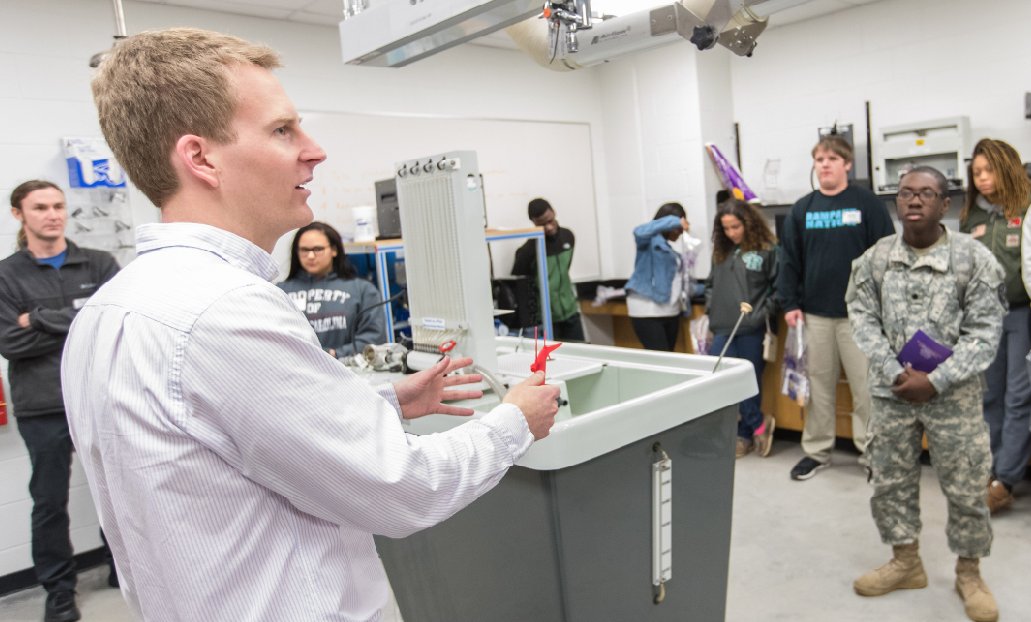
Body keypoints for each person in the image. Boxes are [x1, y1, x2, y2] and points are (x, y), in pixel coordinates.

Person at [61, 28, 560, 621]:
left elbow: (232, 438)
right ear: (200, 157)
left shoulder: (110, 308)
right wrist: (516, 422)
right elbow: (401, 488)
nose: (314, 149)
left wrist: (386, 403)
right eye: (282, 129)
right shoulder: (225, 311)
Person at [846, 166, 1005, 622]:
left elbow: (984, 333)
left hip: (954, 396)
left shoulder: (973, 259)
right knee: (891, 479)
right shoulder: (875, 259)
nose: (914, 200)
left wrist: (935, 380)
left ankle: (969, 573)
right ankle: (906, 561)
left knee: (967, 485)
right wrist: (898, 371)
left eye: (926, 193)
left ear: (944, 204)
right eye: (906, 193)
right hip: (892, 391)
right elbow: (862, 318)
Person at [0, 180, 120, 622]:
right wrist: (78, 318)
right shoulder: (6, 275)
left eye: (58, 206)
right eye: (40, 207)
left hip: (96, 398)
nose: (52, 214)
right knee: (49, 503)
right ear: (19, 214)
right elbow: (10, 341)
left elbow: (112, 323)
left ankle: (121, 570)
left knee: (118, 490)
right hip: (43, 405)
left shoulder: (99, 262)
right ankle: (59, 591)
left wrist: (42, 319)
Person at [777, 135, 895, 480]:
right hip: (815, 314)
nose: (825, 164)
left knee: (866, 390)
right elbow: (789, 261)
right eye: (819, 159)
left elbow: (886, 255)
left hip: (861, 316)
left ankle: (873, 454)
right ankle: (816, 451)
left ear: (847, 164)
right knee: (820, 390)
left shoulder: (867, 204)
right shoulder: (803, 208)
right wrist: (790, 303)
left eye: (832, 158)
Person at [961, 138, 1031, 514]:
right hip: (985, 318)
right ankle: (989, 473)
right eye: (977, 173)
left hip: (1022, 314)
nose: (983, 179)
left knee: (1019, 397)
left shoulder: (1026, 207)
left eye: (989, 170)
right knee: (990, 397)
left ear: (1007, 167)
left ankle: (1005, 480)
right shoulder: (972, 215)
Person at [706, 198, 778, 458]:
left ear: (748, 223)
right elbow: (711, 284)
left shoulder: (767, 249)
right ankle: (758, 423)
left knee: (748, 381)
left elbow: (778, 288)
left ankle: (745, 434)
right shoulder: (721, 251)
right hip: (723, 326)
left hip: (751, 327)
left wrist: (761, 314)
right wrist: (710, 308)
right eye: (726, 228)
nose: (731, 233)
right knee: (721, 379)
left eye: (736, 227)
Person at [278, 221, 387, 359]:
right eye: (305, 250)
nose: (311, 256)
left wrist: (335, 355)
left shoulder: (362, 290)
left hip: (350, 372)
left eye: (318, 249)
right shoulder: (279, 292)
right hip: (296, 372)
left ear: (334, 250)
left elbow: (374, 339)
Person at [511, 198, 585, 341]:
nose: (549, 227)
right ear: (533, 222)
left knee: (582, 355)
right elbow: (523, 291)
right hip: (546, 320)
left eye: (550, 221)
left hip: (570, 313)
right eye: (542, 224)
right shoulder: (528, 251)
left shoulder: (568, 237)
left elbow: (565, 270)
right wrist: (532, 325)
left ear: (553, 212)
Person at [625, 202, 690, 352]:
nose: (681, 231)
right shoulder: (647, 241)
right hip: (647, 310)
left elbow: (677, 281)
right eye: (678, 226)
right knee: (661, 361)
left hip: (670, 310)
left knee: (668, 360)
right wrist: (675, 221)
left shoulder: (671, 251)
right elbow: (639, 231)